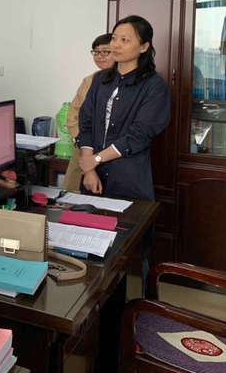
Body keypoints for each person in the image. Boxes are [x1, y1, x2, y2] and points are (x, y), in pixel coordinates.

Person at [76, 15, 170, 294]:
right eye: (115, 38)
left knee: (127, 254)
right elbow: (86, 123)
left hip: (128, 180)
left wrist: (95, 160)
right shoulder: (100, 80)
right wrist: (89, 168)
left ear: (144, 47)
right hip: (92, 178)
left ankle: (134, 309)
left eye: (125, 39)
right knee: (89, 249)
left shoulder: (154, 85)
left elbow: (139, 135)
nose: (116, 44)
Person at [62, 33, 115, 190]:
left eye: (105, 52)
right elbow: (73, 115)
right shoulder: (90, 80)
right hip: (84, 149)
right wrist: (82, 144)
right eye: (96, 52)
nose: (99, 56)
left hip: (113, 154)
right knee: (74, 197)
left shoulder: (130, 82)